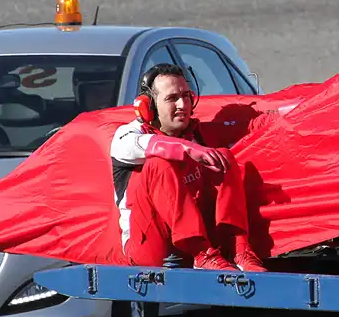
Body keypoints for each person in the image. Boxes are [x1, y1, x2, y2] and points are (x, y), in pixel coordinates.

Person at [109, 63, 268, 272]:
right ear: (149, 107)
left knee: (223, 157)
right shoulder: (126, 136)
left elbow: (249, 128)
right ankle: (200, 253)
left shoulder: (197, 133)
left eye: (186, 96)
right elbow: (154, 146)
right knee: (159, 164)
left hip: (198, 244)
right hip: (148, 246)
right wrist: (190, 149)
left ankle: (238, 250)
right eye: (172, 98)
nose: (183, 104)